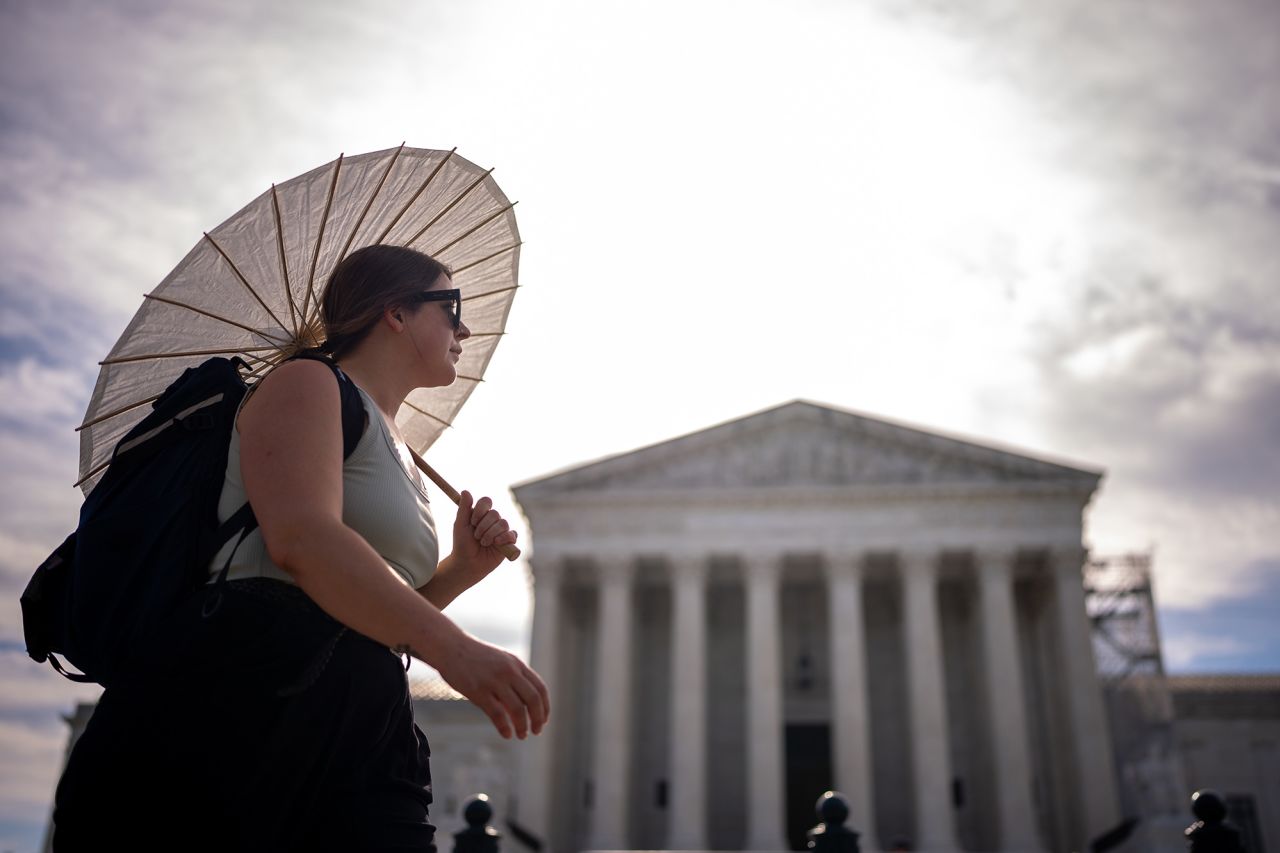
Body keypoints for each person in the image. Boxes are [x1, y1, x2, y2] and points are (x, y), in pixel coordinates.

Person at [52, 244, 549, 852]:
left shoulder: (401, 452)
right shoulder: (307, 382)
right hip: (244, 697)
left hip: (362, 714)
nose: (463, 327)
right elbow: (303, 542)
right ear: (396, 312)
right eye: (452, 307)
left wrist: (458, 572)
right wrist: (455, 650)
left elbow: (370, 613)